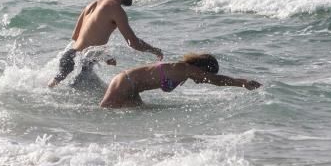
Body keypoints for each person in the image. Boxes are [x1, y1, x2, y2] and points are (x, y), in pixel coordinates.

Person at [49, 0, 163, 88]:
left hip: (70, 58)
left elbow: (77, 37)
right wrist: (154, 50)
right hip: (79, 64)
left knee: (53, 90)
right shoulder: (115, 9)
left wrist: (102, 56)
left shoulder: (93, 3)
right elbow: (133, 42)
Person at [100, 53, 260, 109]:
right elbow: (216, 80)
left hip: (133, 89)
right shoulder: (184, 68)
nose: (204, 81)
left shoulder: (184, 72)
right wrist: (243, 83)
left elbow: (213, 79)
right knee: (104, 113)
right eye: (205, 75)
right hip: (124, 82)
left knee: (139, 114)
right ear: (202, 69)